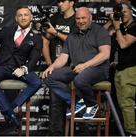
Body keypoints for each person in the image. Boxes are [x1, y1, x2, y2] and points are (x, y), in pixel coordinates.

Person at [42, 6, 111, 132]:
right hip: (77, 68)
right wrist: (52, 66)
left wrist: (85, 65)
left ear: (90, 18)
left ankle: (92, 104)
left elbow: (105, 54)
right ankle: (79, 102)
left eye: (83, 18)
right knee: (49, 77)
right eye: (78, 18)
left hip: (98, 68)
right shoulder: (72, 36)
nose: (81, 21)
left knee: (79, 80)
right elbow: (63, 57)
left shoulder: (100, 31)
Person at [0, 6, 43, 128]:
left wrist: (23, 69)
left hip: (19, 69)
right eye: (20, 15)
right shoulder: (7, 30)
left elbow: (34, 59)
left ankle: (10, 109)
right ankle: (10, 112)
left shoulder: (36, 37)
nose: (23, 17)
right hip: (1, 66)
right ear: (16, 18)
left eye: (26, 15)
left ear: (31, 17)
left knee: (36, 82)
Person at [41, 0, 76, 135]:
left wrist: (56, 33)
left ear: (72, 2)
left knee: (77, 101)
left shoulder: (77, 19)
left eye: (63, 1)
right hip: (56, 68)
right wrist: (50, 64)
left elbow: (75, 42)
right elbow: (45, 42)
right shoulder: (54, 19)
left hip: (74, 67)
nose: (60, 4)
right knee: (55, 102)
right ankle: (56, 133)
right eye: (59, 1)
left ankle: (82, 132)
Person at [110, 3, 136, 136]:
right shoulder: (120, 27)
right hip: (119, 70)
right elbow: (104, 34)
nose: (122, 15)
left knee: (127, 103)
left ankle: (131, 132)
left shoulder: (134, 26)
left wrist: (117, 28)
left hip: (131, 70)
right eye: (120, 12)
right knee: (120, 104)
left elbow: (124, 44)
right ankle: (125, 132)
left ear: (131, 11)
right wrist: (113, 21)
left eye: (124, 12)